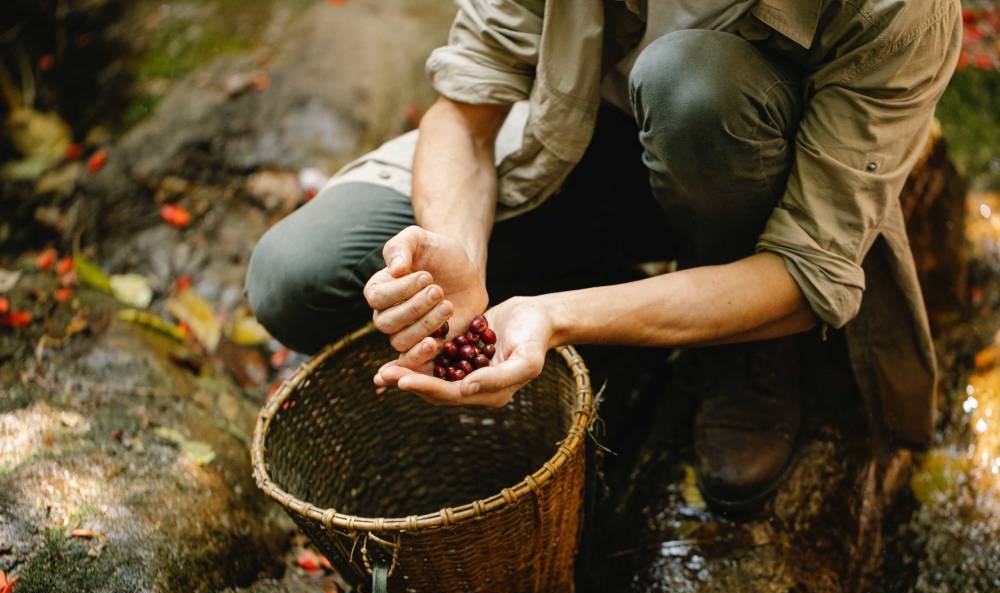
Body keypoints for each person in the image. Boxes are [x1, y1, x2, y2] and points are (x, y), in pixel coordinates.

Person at [246, 0, 962, 511]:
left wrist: (556, 318)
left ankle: (746, 356)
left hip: (741, 175)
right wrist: (456, 252)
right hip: (577, 145)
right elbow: (466, 111)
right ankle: (627, 315)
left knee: (692, 88)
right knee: (298, 277)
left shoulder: (898, 12)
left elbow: (805, 271)